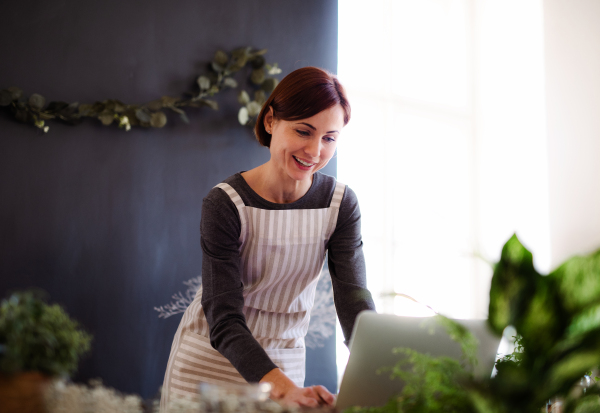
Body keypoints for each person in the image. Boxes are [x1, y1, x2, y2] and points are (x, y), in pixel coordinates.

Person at [160, 66, 375, 410]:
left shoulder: (340, 205)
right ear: (272, 121)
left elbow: (354, 302)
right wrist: (281, 387)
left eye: (329, 138)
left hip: (286, 361)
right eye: (303, 131)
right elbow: (225, 318)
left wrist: (379, 370)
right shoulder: (226, 203)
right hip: (209, 361)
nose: (315, 150)